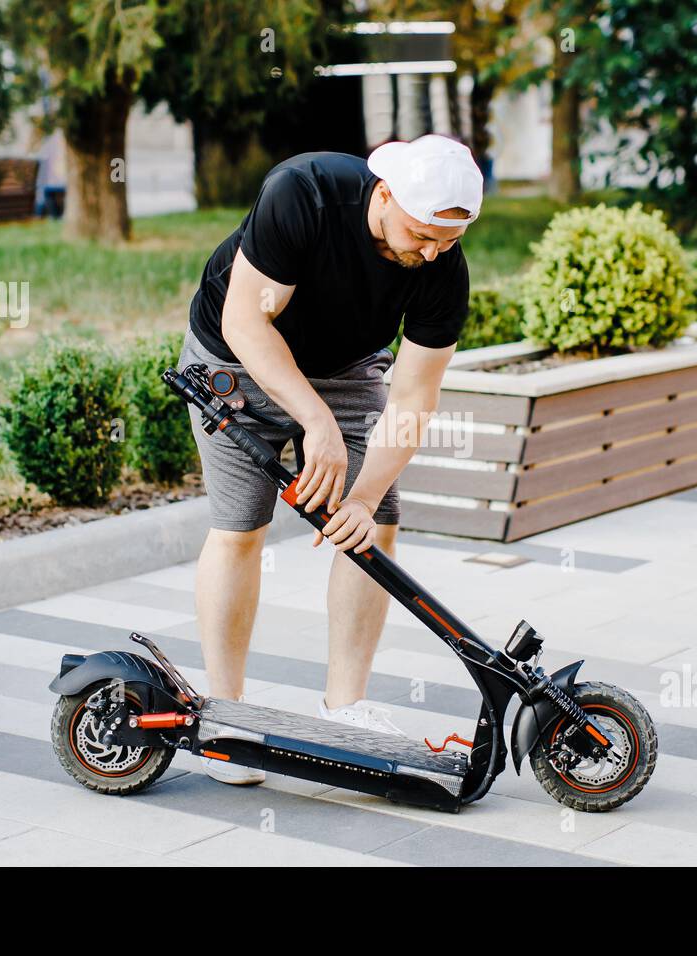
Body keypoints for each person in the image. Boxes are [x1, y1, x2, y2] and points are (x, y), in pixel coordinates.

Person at [178, 134, 483, 785]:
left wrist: (366, 497)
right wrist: (313, 420)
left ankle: (347, 710)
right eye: (421, 233)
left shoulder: (441, 272)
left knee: (377, 526)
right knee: (241, 529)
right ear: (385, 193)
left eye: (446, 243)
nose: (429, 252)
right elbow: (246, 323)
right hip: (235, 359)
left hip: (345, 369)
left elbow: (413, 396)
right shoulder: (304, 193)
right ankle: (226, 716)